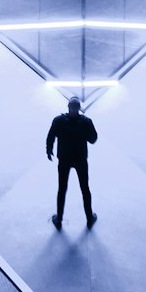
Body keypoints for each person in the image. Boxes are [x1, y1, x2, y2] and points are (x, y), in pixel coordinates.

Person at [46, 96, 98, 229]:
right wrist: (82, 132)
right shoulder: (86, 121)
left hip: (64, 159)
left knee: (62, 189)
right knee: (85, 188)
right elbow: (93, 139)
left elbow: (51, 136)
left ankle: (59, 219)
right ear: (80, 108)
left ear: (68, 107)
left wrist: (49, 150)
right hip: (80, 159)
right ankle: (89, 217)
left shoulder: (59, 120)